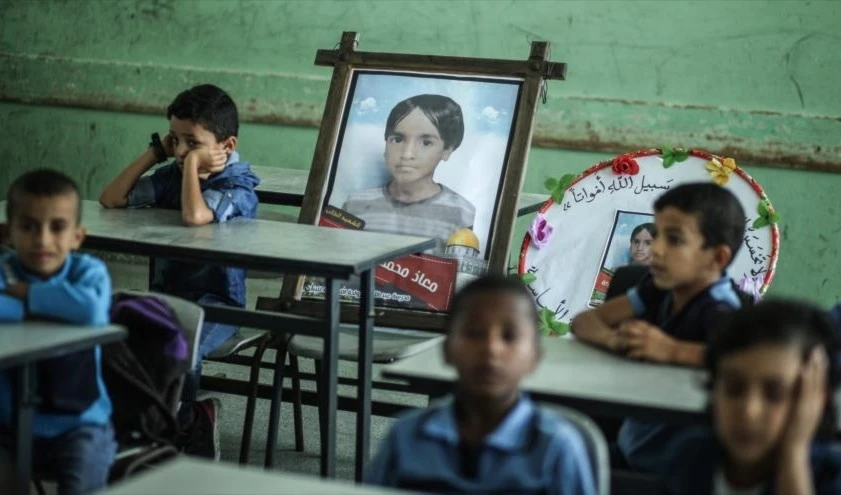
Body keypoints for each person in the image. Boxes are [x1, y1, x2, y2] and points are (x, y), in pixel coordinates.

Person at [99, 84, 260, 459]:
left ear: (228, 145)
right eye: (175, 140)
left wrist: (189, 165)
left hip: (217, 305)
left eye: (192, 142)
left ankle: (185, 424)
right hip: (166, 297)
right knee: (118, 335)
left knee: (182, 345)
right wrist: (156, 153)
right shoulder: (171, 173)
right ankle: (150, 424)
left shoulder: (239, 186)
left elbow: (195, 217)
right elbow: (111, 198)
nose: (181, 151)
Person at [571, 182, 746, 474]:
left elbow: (736, 362)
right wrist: (613, 341)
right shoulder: (658, 288)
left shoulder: (721, 308)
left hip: (675, 471)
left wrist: (671, 350)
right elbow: (584, 322)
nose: (657, 249)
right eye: (659, 235)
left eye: (674, 240)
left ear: (717, 258)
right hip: (632, 448)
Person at [365, 276, 596, 494]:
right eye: (474, 334)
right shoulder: (407, 436)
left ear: (534, 356)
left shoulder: (555, 447)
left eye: (509, 336)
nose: (491, 349)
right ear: (446, 349)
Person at [0, 169, 116, 494]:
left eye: (58, 227)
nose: (42, 240)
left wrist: (25, 295)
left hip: (80, 424)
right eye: (28, 227)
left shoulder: (88, 272)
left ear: (77, 236)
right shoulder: (4, 270)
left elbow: (91, 310)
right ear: (9, 232)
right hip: (7, 422)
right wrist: (56, 306)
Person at [661, 300, 841, 495]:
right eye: (734, 389)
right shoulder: (690, 456)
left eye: (774, 395)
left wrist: (794, 455)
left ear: (812, 399)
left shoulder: (829, 474)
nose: (749, 411)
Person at [342, 94, 476, 253]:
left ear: (447, 150)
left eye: (426, 142)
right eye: (397, 139)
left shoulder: (461, 213)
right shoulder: (354, 205)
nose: (407, 154)